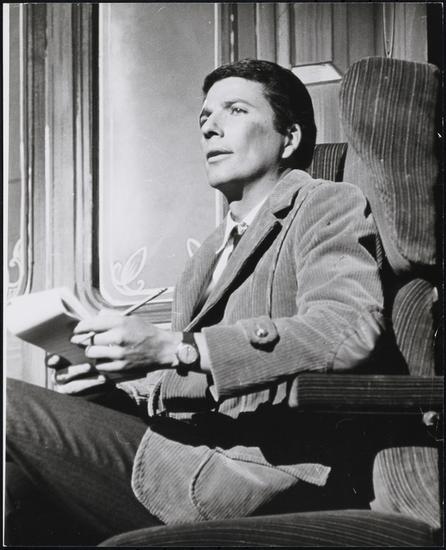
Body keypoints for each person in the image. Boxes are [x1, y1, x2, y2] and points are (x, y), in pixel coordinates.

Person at [6, 59, 385, 545]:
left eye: (235, 110)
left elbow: (349, 329)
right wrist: (108, 381)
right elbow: (188, 390)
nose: (210, 127)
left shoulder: (325, 203)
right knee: (16, 485)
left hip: (249, 479)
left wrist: (177, 348)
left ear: (289, 138)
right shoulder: (208, 254)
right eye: (205, 116)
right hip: (182, 456)